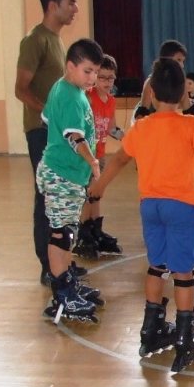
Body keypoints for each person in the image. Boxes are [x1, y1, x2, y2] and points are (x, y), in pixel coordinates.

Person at [87, 58, 194, 373]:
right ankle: (185, 337)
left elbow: (117, 162)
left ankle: (150, 329)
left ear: (152, 93)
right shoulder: (191, 125)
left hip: (150, 205)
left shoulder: (141, 127)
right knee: (184, 272)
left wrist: (98, 187)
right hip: (182, 205)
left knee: (157, 265)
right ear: (184, 93)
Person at [15, 0, 87, 286]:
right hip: (40, 132)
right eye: (70, 2)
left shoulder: (57, 40)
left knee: (63, 197)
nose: (75, 8)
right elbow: (21, 89)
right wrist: (48, 118)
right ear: (52, 5)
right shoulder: (35, 41)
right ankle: (49, 266)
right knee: (47, 197)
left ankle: (62, 262)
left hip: (56, 135)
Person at [37, 38, 105, 323]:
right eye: (87, 71)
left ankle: (66, 281)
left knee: (67, 231)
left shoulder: (65, 89)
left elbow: (45, 118)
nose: (92, 79)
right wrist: (91, 161)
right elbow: (73, 136)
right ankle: (62, 293)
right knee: (61, 233)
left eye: (95, 73)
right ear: (71, 66)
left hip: (66, 173)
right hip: (62, 174)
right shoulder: (69, 95)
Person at [73, 54, 125, 259]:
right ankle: (84, 235)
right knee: (88, 194)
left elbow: (112, 128)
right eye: (102, 77)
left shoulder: (111, 100)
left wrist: (129, 139)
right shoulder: (89, 97)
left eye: (110, 78)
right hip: (87, 156)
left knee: (97, 193)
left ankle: (95, 230)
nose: (106, 82)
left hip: (100, 154)